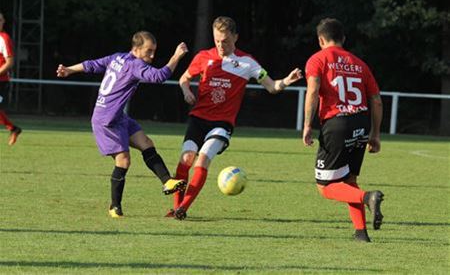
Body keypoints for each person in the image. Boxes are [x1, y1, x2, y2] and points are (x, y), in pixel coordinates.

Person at [168, 16, 302, 220]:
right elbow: (184, 79)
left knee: (202, 160)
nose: (221, 45)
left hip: (222, 124)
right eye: (217, 41)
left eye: (226, 41)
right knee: (186, 160)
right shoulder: (204, 57)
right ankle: (175, 207)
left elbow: (271, 86)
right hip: (198, 119)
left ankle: (183, 208)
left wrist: (286, 81)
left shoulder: (247, 62)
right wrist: (186, 91)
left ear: (236, 38)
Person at [56, 31, 189, 218]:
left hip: (118, 117)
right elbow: (159, 76)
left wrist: (70, 69)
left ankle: (167, 182)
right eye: (148, 51)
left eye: (154, 51)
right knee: (124, 161)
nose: (151, 56)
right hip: (107, 120)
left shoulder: (117, 58)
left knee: (146, 143)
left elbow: (92, 65)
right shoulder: (135, 65)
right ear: (135, 49)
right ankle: (114, 207)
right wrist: (176, 57)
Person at [302, 18, 384, 242]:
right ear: (343, 39)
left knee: (325, 187)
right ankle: (361, 233)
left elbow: (313, 90)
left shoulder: (317, 59)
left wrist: (308, 125)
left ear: (320, 39)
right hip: (361, 122)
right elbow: (376, 100)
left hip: (337, 124)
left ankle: (368, 197)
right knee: (348, 180)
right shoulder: (360, 63)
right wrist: (375, 134)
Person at [0, 11, 22, 145]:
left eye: (1, 20)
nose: (1, 22)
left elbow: (9, 62)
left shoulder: (4, 38)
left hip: (1, 82)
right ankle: (14, 129)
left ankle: (13, 129)